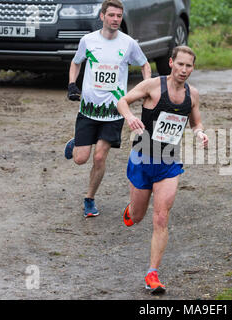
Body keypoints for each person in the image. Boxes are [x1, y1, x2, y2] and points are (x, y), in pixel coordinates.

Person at [117, 45, 208, 294]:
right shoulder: (152, 86)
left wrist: (199, 133)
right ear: (171, 63)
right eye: (180, 64)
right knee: (137, 216)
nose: (184, 70)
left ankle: (152, 274)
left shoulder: (193, 94)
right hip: (142, 155)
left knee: (161, 217)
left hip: (169, 161)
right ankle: (132, 210)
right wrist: (129, 117)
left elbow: (196, 121)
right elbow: (122, 101)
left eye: (189, 66)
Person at [64, 0, 151, 218]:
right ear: (102, 16)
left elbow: (145, 64)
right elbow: (76, 62)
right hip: (88, 110)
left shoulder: (128, 43)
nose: (115, 19)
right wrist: (72, 84)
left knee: (100, 157)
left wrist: (146, 88)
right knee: (80, 158)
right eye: (111, 15)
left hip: (114, 112)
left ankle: (89, 199)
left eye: (119, 16)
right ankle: (76, 143)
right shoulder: (88, 40)